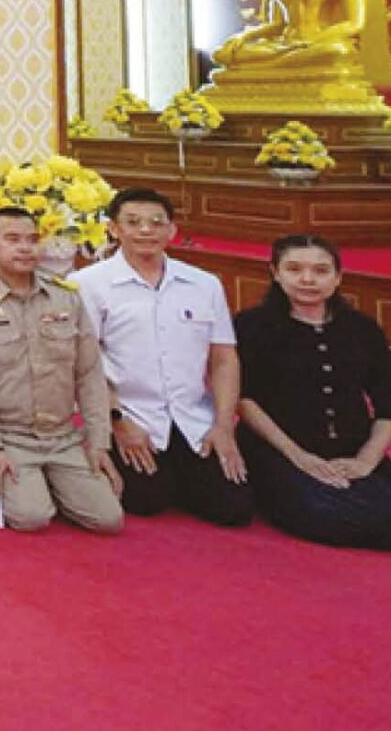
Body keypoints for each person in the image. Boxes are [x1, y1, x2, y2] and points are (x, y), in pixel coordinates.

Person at [234, 235, 391, 552]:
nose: (308, 279)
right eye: (294, 269)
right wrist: (301, 458)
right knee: (321, 511)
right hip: (279, 449)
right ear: (275, 272)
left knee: (388, 505)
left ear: (338, 277)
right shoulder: (251, 326)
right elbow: (244, 400)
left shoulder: (362, 329)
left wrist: (365, 460)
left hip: (351, 449)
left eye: (321, 271)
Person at [71, 189, 254, 527]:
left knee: (234, 508)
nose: (146, 231)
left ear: (172, 231)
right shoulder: (87, 284)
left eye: (157, 223)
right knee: (146, 499)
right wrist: (117, 421)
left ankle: (184, 472)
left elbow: (224, 358)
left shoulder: (204, 284)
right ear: (113, 228)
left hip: (192, 417)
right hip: (131, 416)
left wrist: (224, 426)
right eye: (133, 222)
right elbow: (85, 363)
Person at [0, 209, 124, 535]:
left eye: (32, 240)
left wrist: (99, 443)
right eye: (12, 240)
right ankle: (19, 483)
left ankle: (51, 484)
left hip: (61, 436)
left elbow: (88, 374)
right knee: (31, 517)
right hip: (8, 435)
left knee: (109, 519)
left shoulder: (65, 296)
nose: (25, 248)